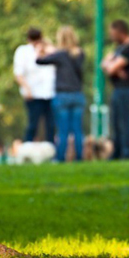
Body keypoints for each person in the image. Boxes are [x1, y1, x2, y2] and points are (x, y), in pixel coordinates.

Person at [36, 26, 85, 162]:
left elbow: (40, 61)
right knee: (77, 130)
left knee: (63, 130)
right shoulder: (80, 53)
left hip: (62, 95)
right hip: (77, 94)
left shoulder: (60, 55)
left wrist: (40, 51)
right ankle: (80, 157)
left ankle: (60, 157)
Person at [101, 20, 129, 160]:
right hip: (117, 88)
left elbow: (110, 68)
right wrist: (112, 67)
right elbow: (104, 64)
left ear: (120, 32)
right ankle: (117, 152)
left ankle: (128, 152)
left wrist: (111, 66)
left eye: (113, 34)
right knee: (116, 122)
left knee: (124, 122)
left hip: (126, 89)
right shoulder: (119, 48)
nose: (111, 37)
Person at [14, 28, 56, 143]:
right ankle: (28, 148)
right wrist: (27, 89)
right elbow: (18, 73)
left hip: (49, 93)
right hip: (33, 94)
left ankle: (51, 150)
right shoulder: (23, 51)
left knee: (51, 125)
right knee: (33, 125)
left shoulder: (48, 50)